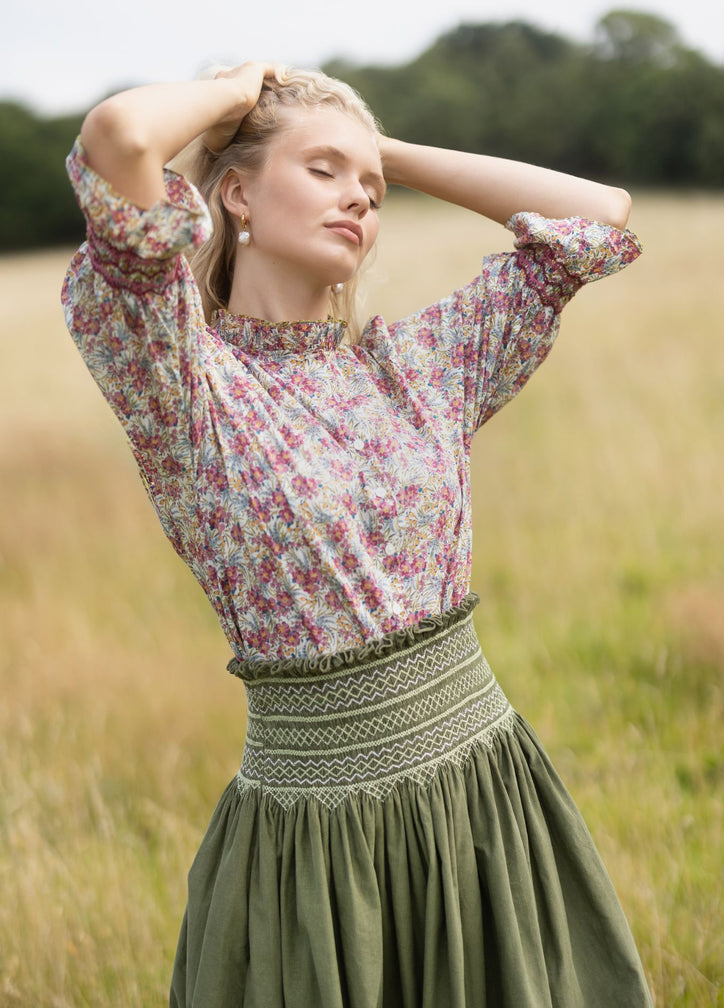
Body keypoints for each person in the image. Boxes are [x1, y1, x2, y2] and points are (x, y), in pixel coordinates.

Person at [62, 61, 654, 1008]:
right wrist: (241, 84)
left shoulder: (421, 364)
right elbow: (120, 141)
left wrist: (384, 151)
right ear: (239, 194)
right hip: (315, 845)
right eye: (324, 172)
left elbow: (596, 216)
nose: (359, 200)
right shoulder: (185, 385)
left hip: (484, 802)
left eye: (371, 191)